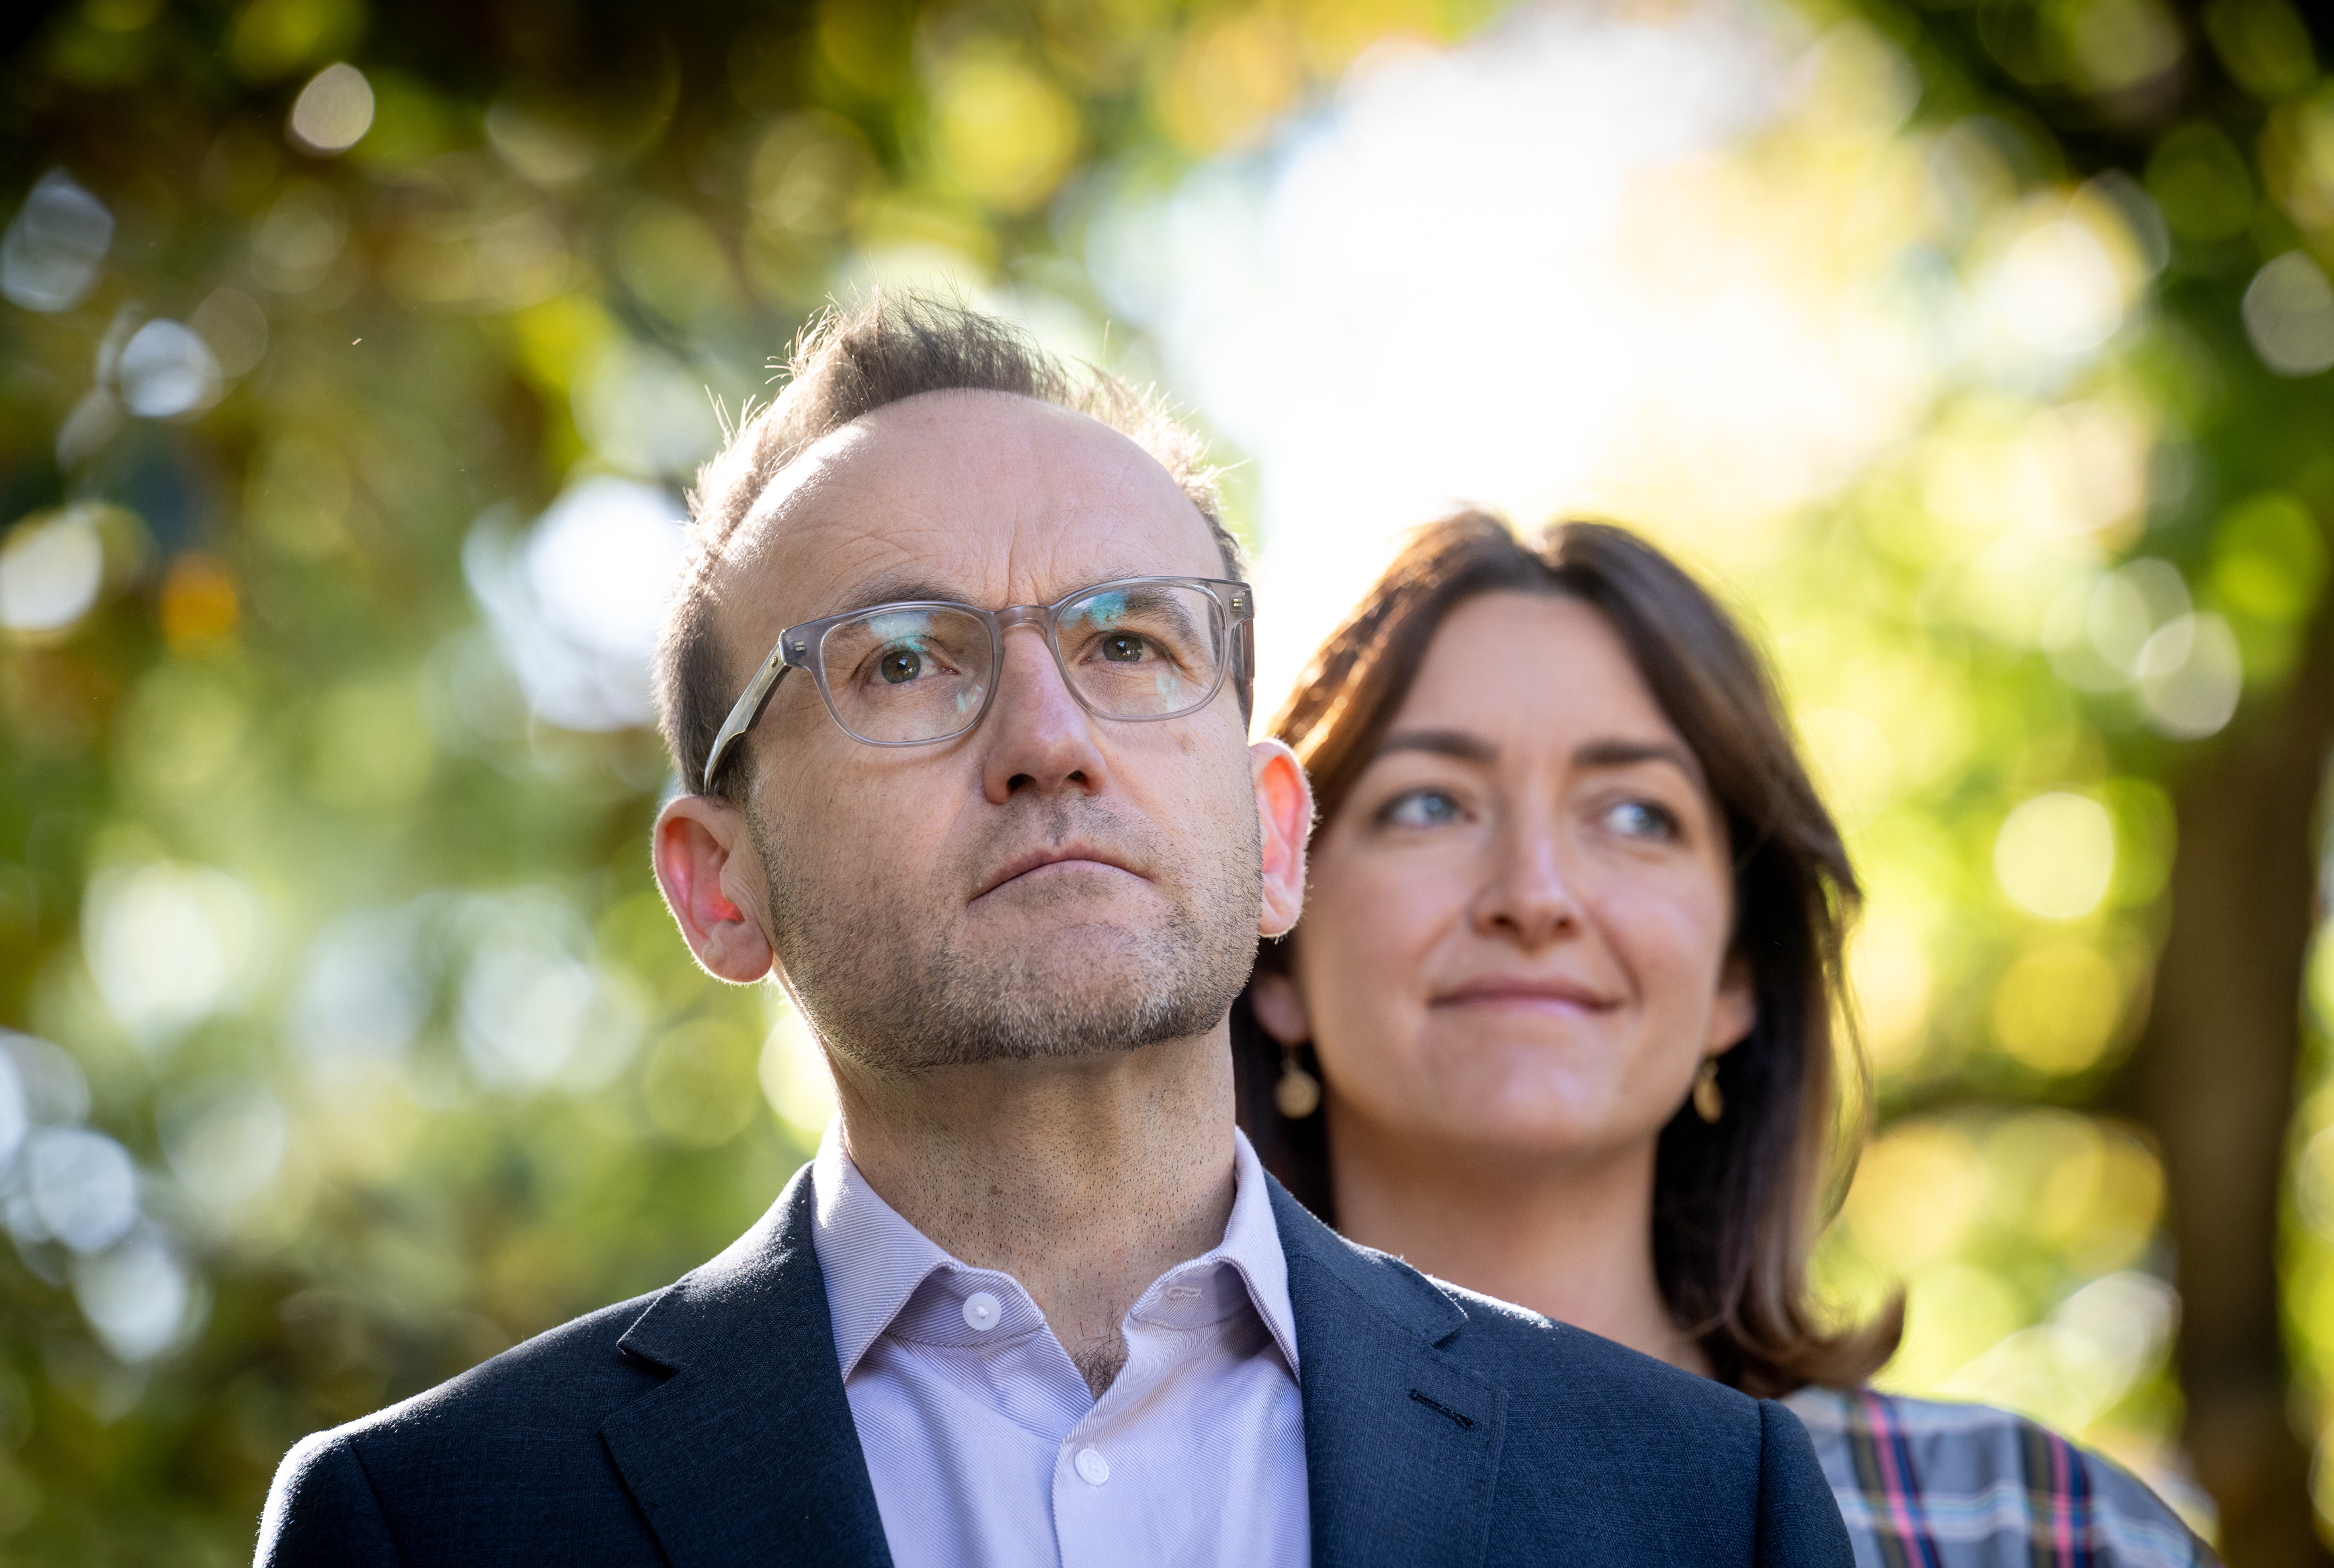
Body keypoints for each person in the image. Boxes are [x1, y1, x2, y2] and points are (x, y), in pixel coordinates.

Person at [253, 298, 1853, 1565]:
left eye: (1131, 641)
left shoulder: (1703, 1504)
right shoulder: (432, 1525)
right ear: (715, 884)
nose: (1048, 735)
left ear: (1273, 835)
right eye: (899, 662)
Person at [1238, 512, 2218, 1568]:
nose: (1535, 894)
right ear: (1279, 948)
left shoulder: (2039, 1532)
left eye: (1635, 815)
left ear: (1737, 977)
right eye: (1431, 803)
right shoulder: (1141, 1501)